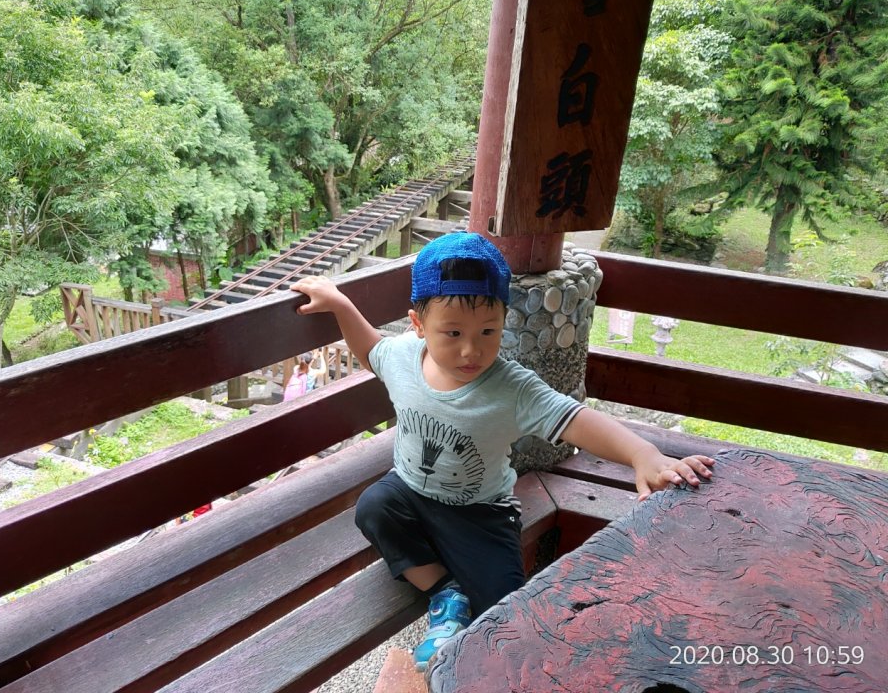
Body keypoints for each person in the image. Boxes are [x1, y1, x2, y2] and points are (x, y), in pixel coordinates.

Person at [291, 232, 715, 671]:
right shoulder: (402, 356)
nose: (471, 349)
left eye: (488, 331)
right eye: (452, 333)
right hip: (408, 493)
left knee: (506, 606)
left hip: (481, 511)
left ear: (503, 320)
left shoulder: (511, 388)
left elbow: (575, 420)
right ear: (418, 325)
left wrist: (642, 453)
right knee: (373, 509)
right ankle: (445, 592)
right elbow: (371, 350)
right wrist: (340, 304)